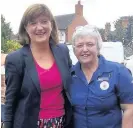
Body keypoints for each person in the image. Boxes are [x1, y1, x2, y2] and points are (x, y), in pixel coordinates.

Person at [4, 4, 72, 128]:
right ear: (26, 28)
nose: (39, 27)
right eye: (33, 23)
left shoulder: (62, 51)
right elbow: (10, 102)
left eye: (44, 22)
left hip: (62, 122)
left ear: (51, 24)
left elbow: (71, 83)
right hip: (30, 123)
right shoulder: (16, 59)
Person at [68, 25, 133, 128]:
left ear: (98, 48)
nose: (84, 49)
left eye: (90, 44)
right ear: (74, 50)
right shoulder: (69, 75)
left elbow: (130, 108)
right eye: (80, 45)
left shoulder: (118, 72)